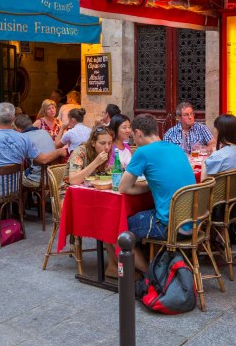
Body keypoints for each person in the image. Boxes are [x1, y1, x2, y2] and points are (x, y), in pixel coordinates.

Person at [0, 103, 66, 226]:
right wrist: (60, 151)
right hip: (14, 189)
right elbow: (42, 159)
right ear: (13, 119)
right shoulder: (23, 138)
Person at [119, 114, 196, 273]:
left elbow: (123, 188)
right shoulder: (175, 148)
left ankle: (149, 274)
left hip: (169, 225)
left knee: (118, 228)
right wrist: (152, 185)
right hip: (193, 222)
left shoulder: (143, 152)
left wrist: (147, 186)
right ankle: (155, 264)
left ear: (138, 132)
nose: (133, 139)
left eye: (133, 135)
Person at [67, 125, 120, 276]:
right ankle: (113, 264)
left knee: (110, 214)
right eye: (103, 143)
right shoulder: (80, 152)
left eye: (110, 143)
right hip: (70, 196)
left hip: (92, 194)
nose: (107, 147)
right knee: (106, 216)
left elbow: (106, 174)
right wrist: (96, 162)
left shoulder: (108, 153)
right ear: (93, 143)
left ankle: (113, 264)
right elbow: (73, 180)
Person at [15, 114, 60, 203]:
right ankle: (30, 203)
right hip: (52, 176)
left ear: (19, 129)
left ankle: (20, 211)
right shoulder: (44, 132)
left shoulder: (23, 138)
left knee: (16, 178)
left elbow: (18, 158)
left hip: (37, 179)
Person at [203, 114, 236, 180]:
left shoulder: (217, 156)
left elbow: (205, 184)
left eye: (215, 128)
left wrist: (205, 162)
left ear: (218, 131)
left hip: (218, 190)